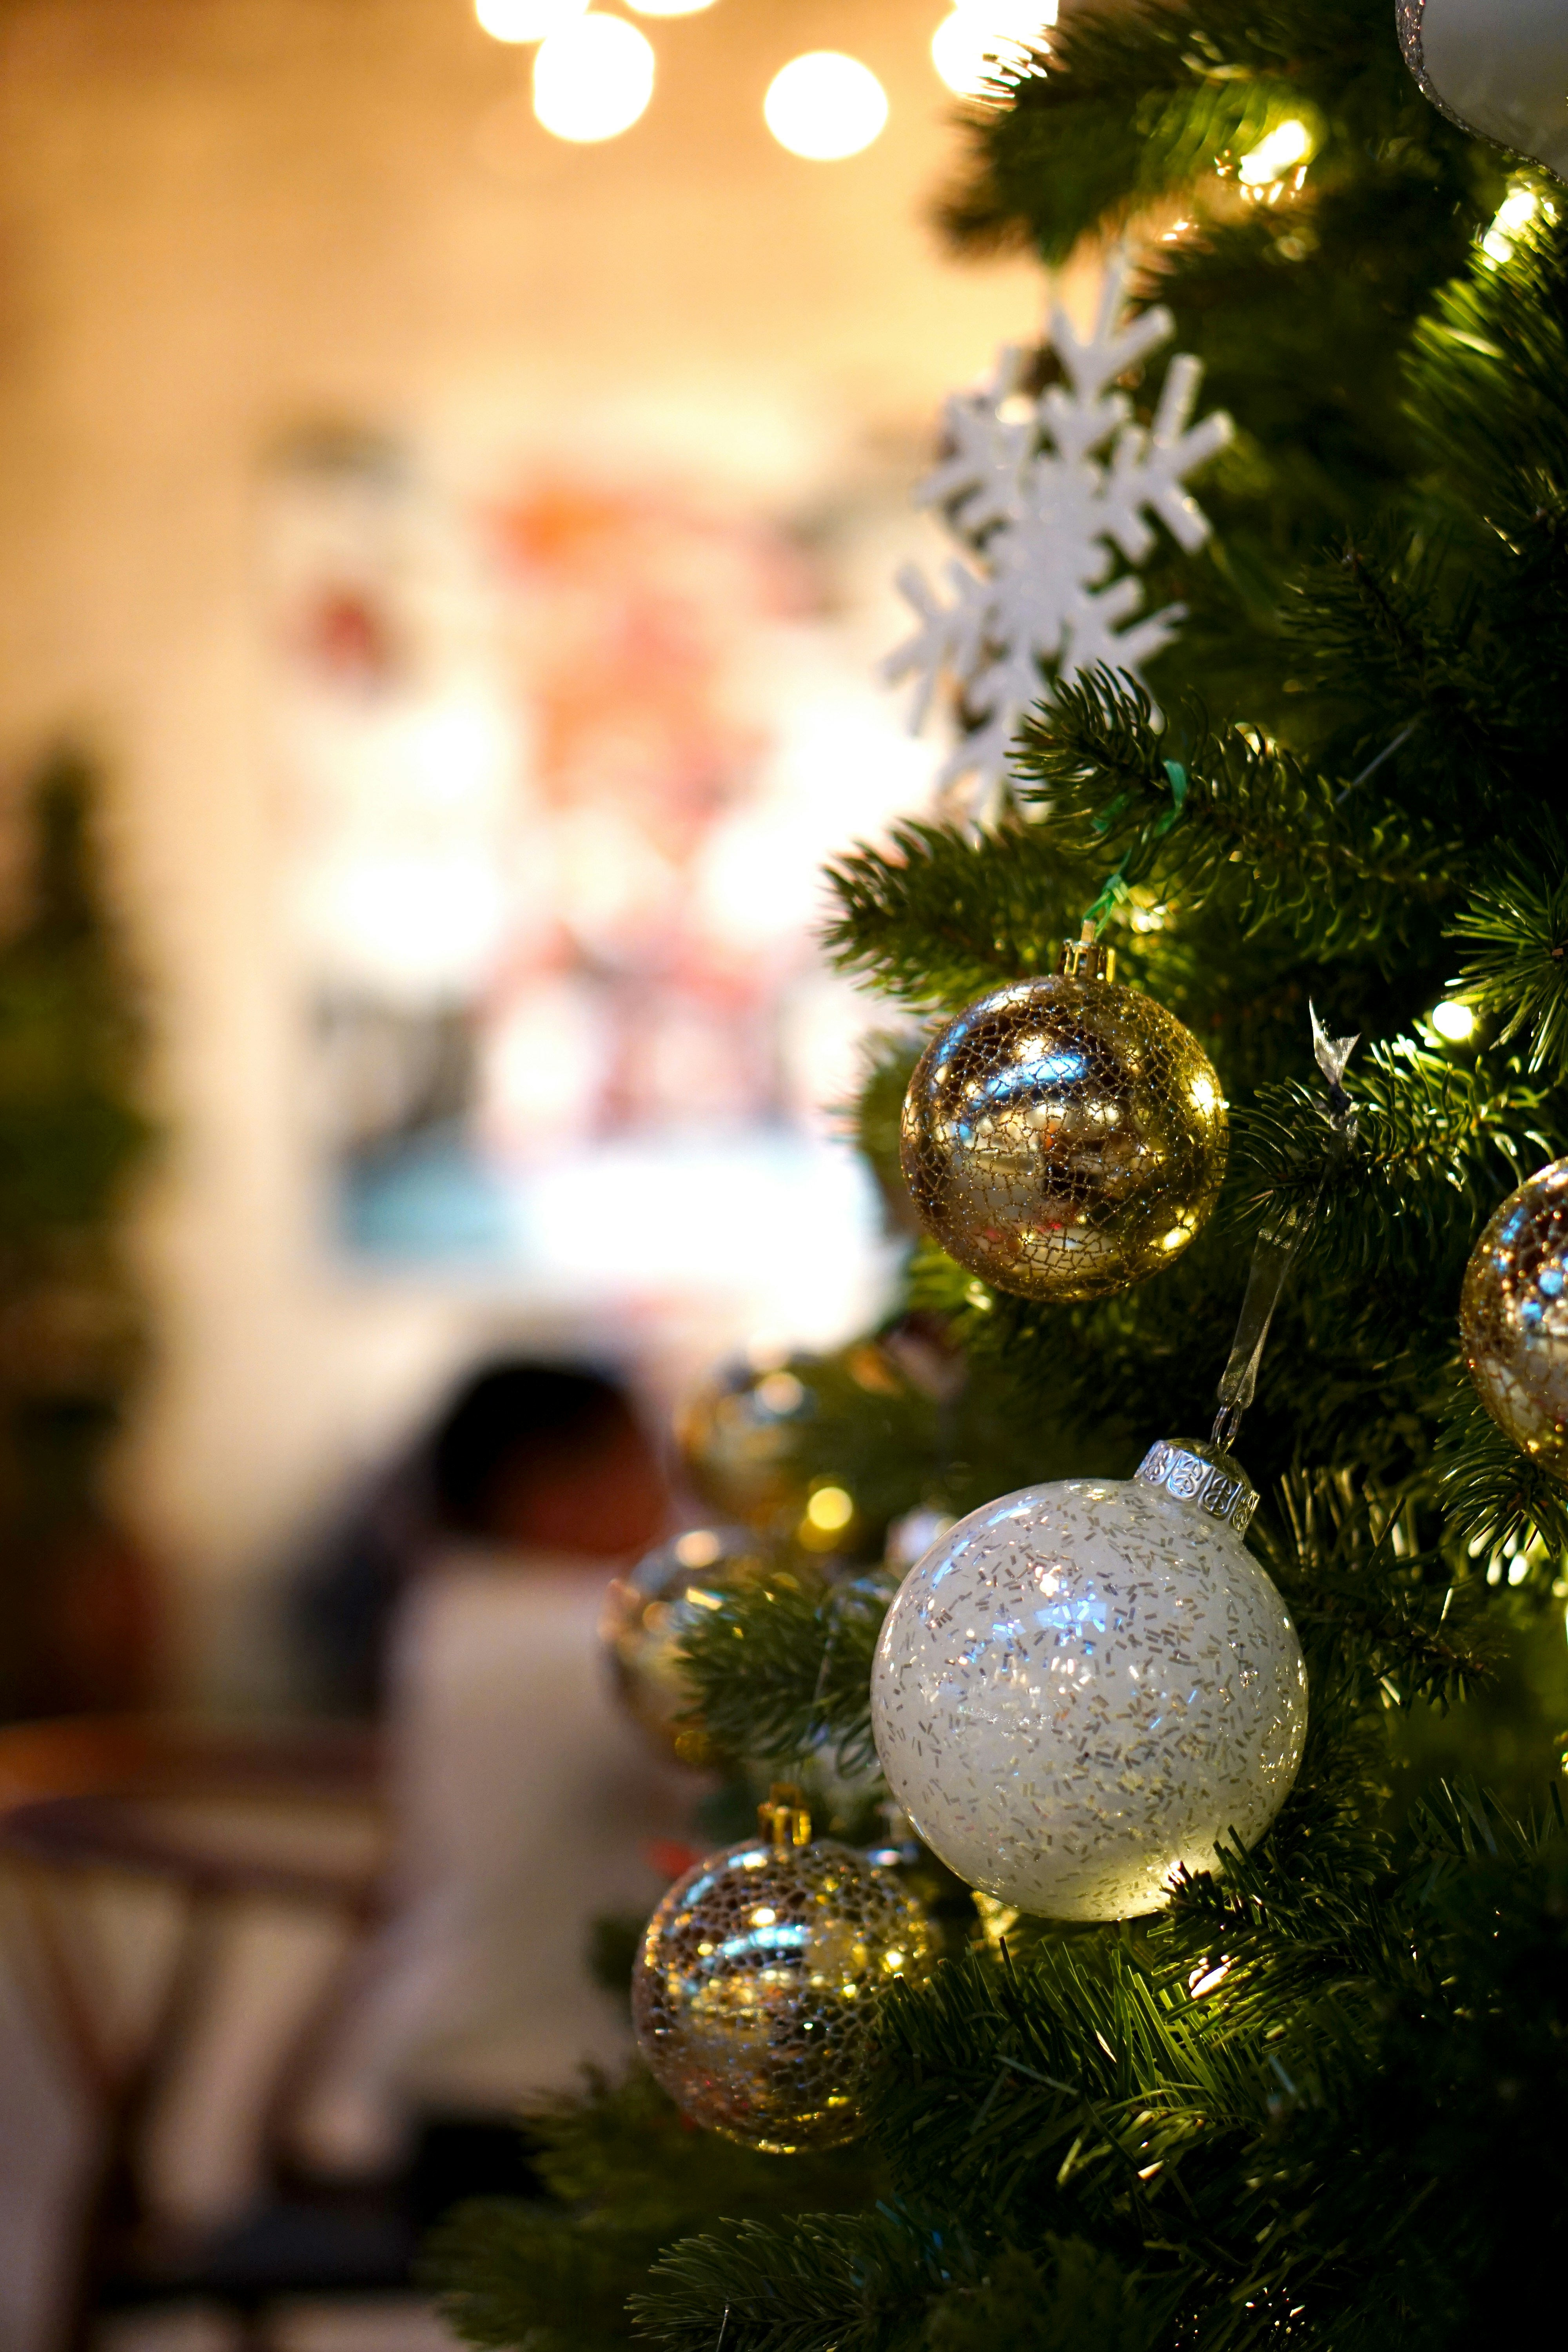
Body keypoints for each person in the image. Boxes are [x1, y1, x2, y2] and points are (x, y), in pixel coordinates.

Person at [289, 1359, 696, 2213]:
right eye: (644, 1466)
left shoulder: (453, 1613)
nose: (668, 1501)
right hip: (529, 2092)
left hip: (450, 2071)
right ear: (550, 1495)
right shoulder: (581, 1645)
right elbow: (749, 1736)